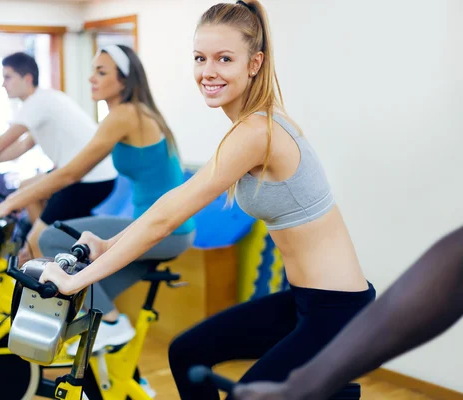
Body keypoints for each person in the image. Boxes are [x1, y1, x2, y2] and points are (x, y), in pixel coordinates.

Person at [38, 1, 375, 398]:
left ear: (254, 63)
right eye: (201, 58)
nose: (208, 71)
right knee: (188, 354)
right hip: (303, 302)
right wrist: (107, 243)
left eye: (224, 58)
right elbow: (168, 204)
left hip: (339, 311)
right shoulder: (246, 128)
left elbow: (167, 217)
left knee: (244, 393)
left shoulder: (255, 132)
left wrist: (77, 280)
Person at [36, 44, 196, 356]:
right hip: (162, 229)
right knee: (91, 297)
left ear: (123, 81)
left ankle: (112, 324)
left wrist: (8, 202)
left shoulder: (126, 114)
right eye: (93, 70)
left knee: (51, 238)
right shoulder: (135, 112)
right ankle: (125, 374)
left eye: (101, 71)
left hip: (165, 231)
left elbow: (72, 173)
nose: (91, 78)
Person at [232, 224, 463, 400]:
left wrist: (304, 385)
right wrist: (305, 385)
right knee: (196, 348)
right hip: (305, 301)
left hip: (337, 304)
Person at [0, 52, 118, 263]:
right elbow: (21, 146)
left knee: (32, 247)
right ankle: (48, 239)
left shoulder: (36, 103)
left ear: (27, 79)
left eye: (8, 77)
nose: (3, 84)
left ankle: (41, 249)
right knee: (27, 187)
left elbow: (0, 144)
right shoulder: (46, 98)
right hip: (90, 173)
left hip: (88, 180)